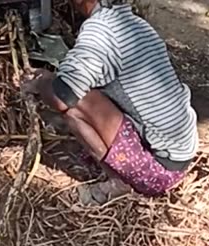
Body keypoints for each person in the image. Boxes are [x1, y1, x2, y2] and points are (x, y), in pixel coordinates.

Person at [22, 0, 198, 203]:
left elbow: (63, 97)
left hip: (157, 172)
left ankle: (118, 183)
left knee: (75, 106)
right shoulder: (135, 23)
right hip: (179, 156)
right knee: (82, 89)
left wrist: (40, 83)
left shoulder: (100, 31)